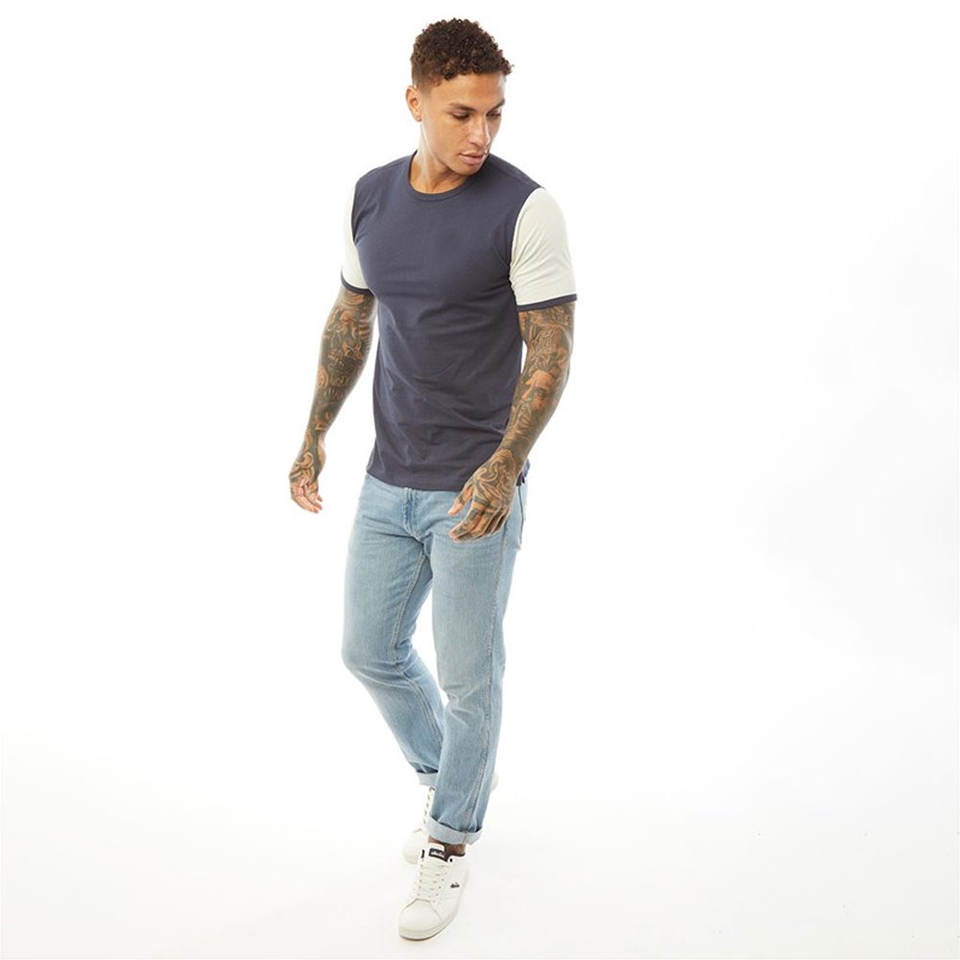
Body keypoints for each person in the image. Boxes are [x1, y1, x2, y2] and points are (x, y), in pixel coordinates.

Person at [289, 17, 576, 941]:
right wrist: (314, 434)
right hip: (389, 476)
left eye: (494, 113)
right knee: (368, 650)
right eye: (461, 113)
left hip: (474, 489)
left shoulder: (526, 209)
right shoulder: (371, 197)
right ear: (415, 101)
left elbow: (550, 353)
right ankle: (453, 774)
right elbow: (351, 318)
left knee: (469, 678)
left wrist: (504, 468)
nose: (480, 133)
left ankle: (451, 836)